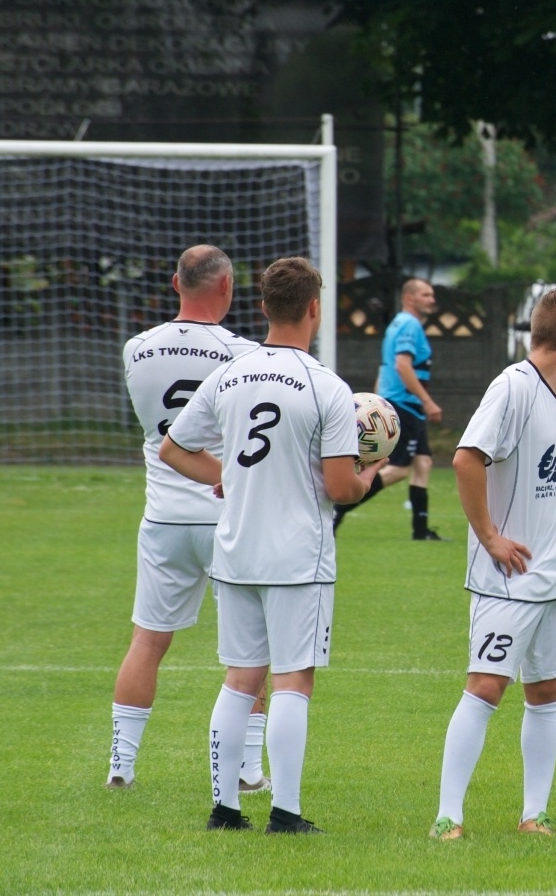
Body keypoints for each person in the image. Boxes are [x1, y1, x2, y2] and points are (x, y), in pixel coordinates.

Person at [161, 257, 381, 834]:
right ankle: (285, 811)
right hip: (296, 558)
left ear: (263, 308)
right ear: (314, 308)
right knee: (293, 680)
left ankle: (224, 809)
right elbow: (340, 486)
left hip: (235, 549)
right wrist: (370, 476)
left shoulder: (229, 374)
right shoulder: (326, 386)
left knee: (240, 678)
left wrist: (225, 476)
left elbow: (174, 449)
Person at [431, 290, 556, 839]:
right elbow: (465, 459)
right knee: (484, 687)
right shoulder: (513, 387)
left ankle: (533, 814)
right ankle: (448, 816)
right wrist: (490, 537)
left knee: (545, 691)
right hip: (510, 578)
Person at [108, 245, 271, 792]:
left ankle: (120, 767)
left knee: (148, 640)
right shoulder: (244, 353)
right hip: (228, 515)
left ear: (176, 282)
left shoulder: (136, 348)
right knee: (252, 648)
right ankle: (247, 771)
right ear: (226, 287)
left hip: (164, 517)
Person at [335, 278, 447, 540]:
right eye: (425, 294)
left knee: (424, 462)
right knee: (397, 470)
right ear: (409, 298)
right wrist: (428, 401)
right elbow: (402, 366)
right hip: (404, 404)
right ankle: (339, 509)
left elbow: (385, 367)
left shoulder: (396, 323)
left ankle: (421, 531)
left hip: (400, 403)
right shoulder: (410, 325)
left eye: (432, 295)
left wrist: (376, 400)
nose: (432, 299)